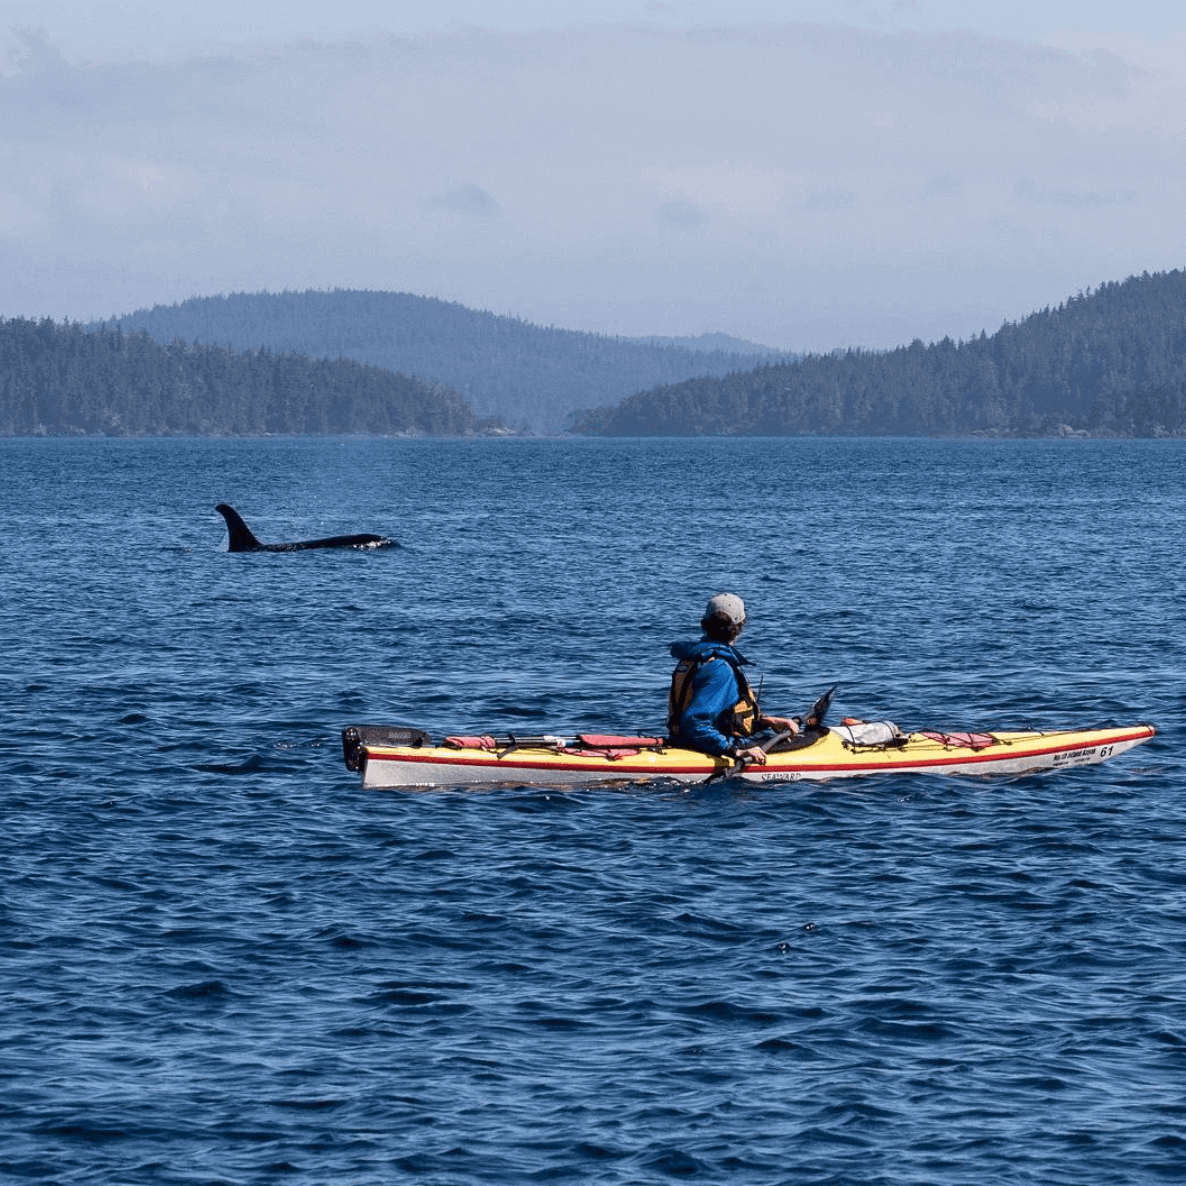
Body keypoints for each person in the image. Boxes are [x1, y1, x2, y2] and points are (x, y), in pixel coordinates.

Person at [667, 593, 799, 765]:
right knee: (797, 743)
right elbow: (694, 722)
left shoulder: (692, 659)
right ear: (739, 627)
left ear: (705, 623)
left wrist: (768, 721)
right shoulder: (720, 669)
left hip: (685, 741)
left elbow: (723, 717)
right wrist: (735, 750)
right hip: (709, 746)